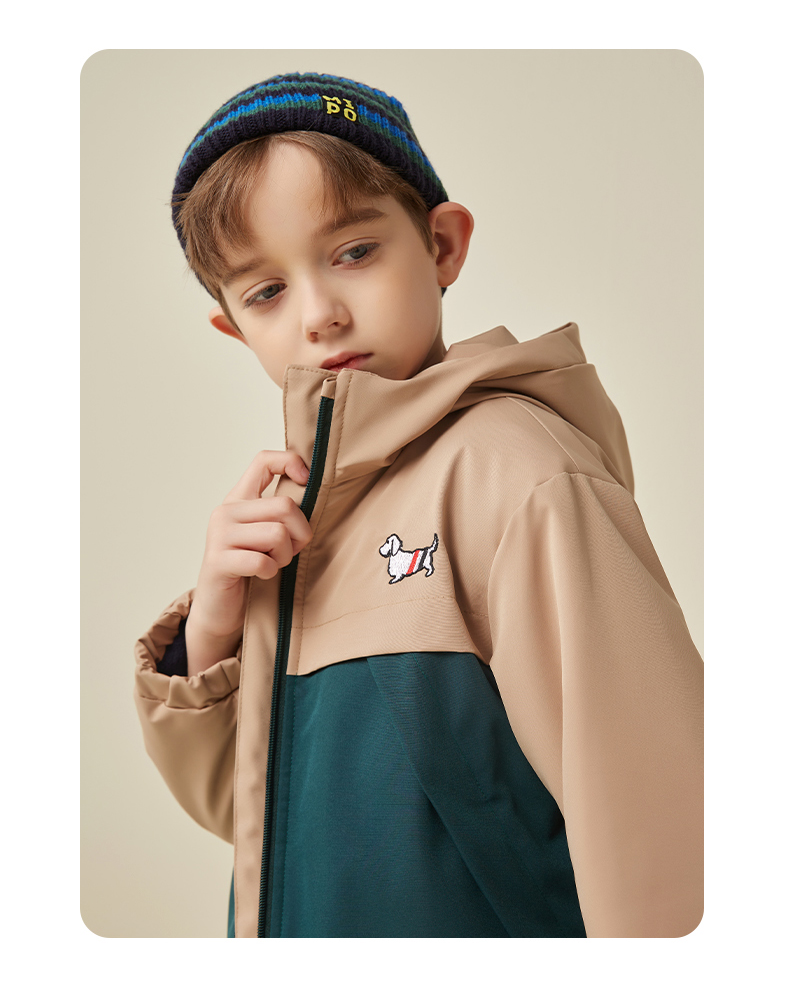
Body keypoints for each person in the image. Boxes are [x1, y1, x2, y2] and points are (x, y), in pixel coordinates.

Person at [133, 71, 703, 939]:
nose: (320, 314)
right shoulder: (298, 513)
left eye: (354, 252)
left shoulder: (519, 475)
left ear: (441, 245)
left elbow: (660, 829)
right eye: (266, 292)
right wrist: (214, 626)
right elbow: (260, 821)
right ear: (235, 327)